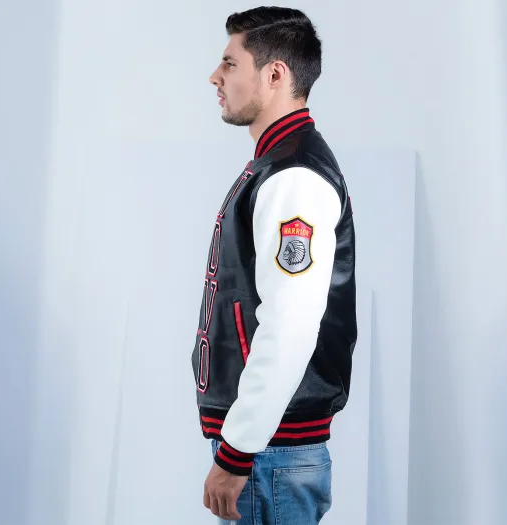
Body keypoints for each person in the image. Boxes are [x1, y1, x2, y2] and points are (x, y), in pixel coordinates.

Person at [191, 6, 357, 524]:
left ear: (275, 74)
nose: (215, 77)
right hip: (267, 450)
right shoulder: (276, 164)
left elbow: (289, 324)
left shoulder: (293, 175)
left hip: (270, 455)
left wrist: (238, 450)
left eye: (230, 63)